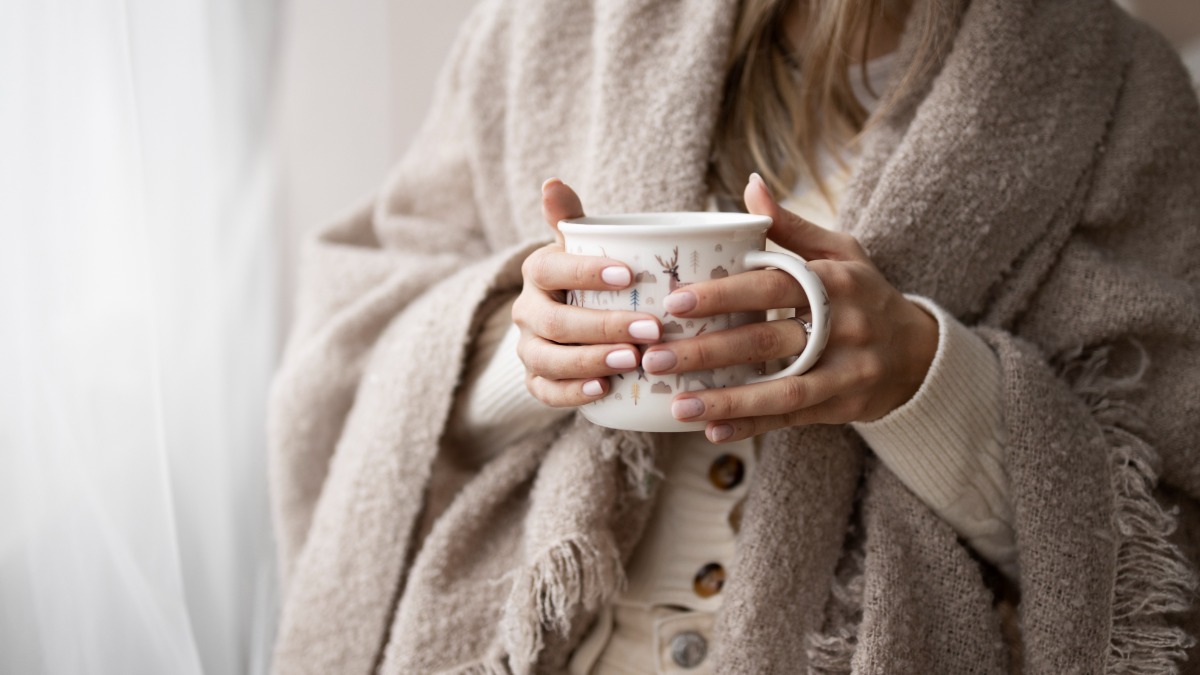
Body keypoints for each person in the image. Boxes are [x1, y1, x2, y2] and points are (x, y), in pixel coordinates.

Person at [266, 0, 1200, 673]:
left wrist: (927, 380)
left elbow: (1160, 524)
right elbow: (352, 362)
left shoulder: (1114, 88)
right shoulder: (547, 27)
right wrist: (522, 348)